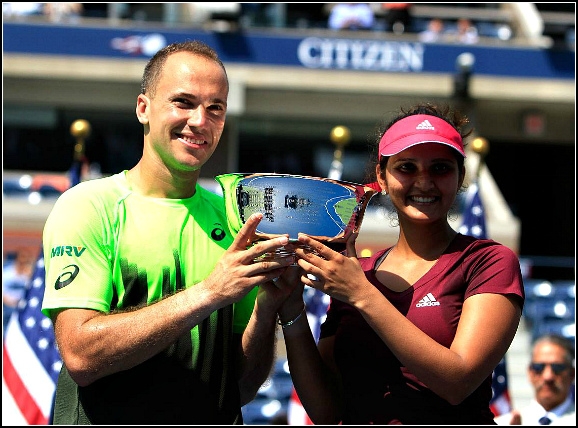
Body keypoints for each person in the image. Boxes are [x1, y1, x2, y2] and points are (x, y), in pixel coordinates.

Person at [40, 40, 296, 425]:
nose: (200, 121)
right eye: (183, 102)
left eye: (215, 108)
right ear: (143, 108)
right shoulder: (90, 206)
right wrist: (210, 293)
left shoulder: (236, 221)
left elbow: (239, 388)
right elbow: (81, 356)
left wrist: (266, 309)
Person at [275, 102, 525, 424]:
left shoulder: (488, 261)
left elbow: (457, 381)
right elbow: (326, 411)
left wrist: (363, 295)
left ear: (461, 175)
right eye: (407, 167)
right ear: (381, 175)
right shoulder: (357, 275)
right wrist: (292, 307)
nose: (424, 182)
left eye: (440, 168)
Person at [495, 334, 575, 425]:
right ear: (530, 372)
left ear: (572, 374)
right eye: (538, 367)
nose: (547, 376)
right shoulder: (502, 423)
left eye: (557, 368)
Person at [3, 247, 35, 334]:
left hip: (23, 307)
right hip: (8, 307)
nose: (24, 262)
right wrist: (9, 302)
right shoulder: (7, 273)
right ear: (17, 259)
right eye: (22, 259)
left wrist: (29, 275)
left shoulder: (30, 275)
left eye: (26, 260)